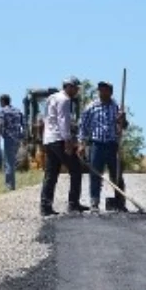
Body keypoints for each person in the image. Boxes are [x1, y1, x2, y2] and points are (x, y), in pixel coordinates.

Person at [40, 76, 87, 216]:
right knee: (76, 169)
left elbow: (46, 118)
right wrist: (68, 141)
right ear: (69, 86)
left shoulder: (52, 98)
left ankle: (45, 207)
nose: (77, 90)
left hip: (49, 139)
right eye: (76, 88)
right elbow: (63, 121)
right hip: (59, 139)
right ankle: (73, 204)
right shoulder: (65, 100)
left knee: (51, 174)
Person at [78, 80, 127, 210]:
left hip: (112, 145)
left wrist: (122, 119)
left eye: (105, 89)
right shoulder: (91, 107)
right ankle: (94, 202)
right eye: (100, 89)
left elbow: (124, 126)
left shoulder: (116, 107)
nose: (102, 92)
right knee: (95, 174)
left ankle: (119, 202)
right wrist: (82, 144)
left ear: (110, 92)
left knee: (116, 174)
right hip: (97, 145)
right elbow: (83, 127)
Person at [0, 94, 26, 191]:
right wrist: (22, 136)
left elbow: (0, 125)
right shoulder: (17, 110)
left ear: (2, 101)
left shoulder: (3, 111)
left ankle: (10, 186)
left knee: (9, 162)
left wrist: (0, 133)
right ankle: (12, 184)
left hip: (9, 138)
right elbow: (24, 124)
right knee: (12, 162)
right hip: (17, 138)